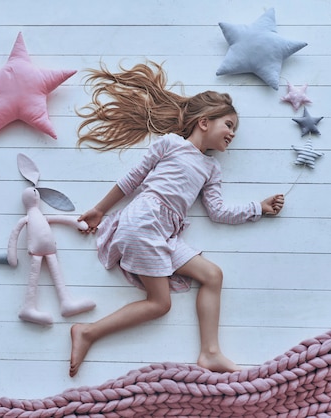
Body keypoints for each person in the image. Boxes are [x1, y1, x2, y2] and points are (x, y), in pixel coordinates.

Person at [69, 61, 284, 377]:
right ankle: (87, 332)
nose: (233, 134)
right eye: (229, 125)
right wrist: (101, 209)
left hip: (165, 234)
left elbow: (218, 211)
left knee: (212, 275)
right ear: (204, 123)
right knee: (160, 304)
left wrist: (258, 208)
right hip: (142, 223)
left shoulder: (211, 169)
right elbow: (133, 178)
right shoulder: (171, 144)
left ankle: (210, 352)